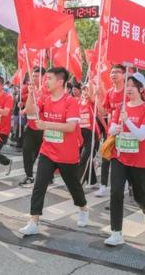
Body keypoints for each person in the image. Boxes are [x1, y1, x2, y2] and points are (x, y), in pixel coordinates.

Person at [19, 67, 88, 236]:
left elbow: (71, 127)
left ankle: (83, 208)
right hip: (48, 150)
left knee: (73, 186)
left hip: (67, 153)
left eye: (48, 78)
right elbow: (29, 112)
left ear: (60, 82)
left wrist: (47, 125)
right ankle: (34, 221)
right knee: (39, 184)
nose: (45, 81)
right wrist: (31, 95)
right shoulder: (44, 99)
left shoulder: (70, 101)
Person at [104, 72, 145, 246]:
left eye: (133, 86)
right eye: (127, 86)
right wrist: (115, 128)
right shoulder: (120, 107)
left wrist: (128, 122)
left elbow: (141, 136)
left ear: (141, 89)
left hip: (138, 159)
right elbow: (111, 129)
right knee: (116, 192)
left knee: (139, 194)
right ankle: (116, 232)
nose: (129, 89)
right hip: (119, 156)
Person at [96, 64, 126, 198]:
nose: (114, 74)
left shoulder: (128, 92)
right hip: (111, 131)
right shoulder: (109, 93)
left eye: (117, 72)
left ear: (124, 75)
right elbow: (103, 112)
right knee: (106, 156)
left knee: (123, 160)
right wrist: (96, 98)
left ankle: (128, 186)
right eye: (112, 72)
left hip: (126, 132)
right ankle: (103, 186)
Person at [19, 66, 48, 187]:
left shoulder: (46, 91)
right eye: (33, 76)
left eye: (36, 76)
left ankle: (48, 176)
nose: (34, 78)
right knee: (26, 150)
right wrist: (24, 109)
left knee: (40, 153)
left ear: (43, 77)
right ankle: (29, 176)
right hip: (30, 126)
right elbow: (28, 107)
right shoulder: (31, 90)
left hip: (42, 128)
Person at [77, 83, 99, 188]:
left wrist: (91, 79)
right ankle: (93, 181)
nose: (85, 92)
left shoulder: (91, 103)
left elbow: (91, 96)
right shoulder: (78, 103)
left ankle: (78, 183)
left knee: (84, 158)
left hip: (91, 135)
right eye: (84, 90)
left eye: (87, 90)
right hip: (80, 135)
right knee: (83, 158)